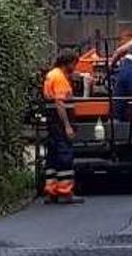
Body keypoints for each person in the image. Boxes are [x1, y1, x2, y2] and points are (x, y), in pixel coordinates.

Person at [42, 49, 85, 204]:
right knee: (64, 155)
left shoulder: (52, 75)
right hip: (59, 121)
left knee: (52, 156)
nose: (75, 66)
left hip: (51, 121)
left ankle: (51, 190)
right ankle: (65, 191)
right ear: (68, 63)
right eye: (74, 63)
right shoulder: (59, 78)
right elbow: (60, 103)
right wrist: (67, 125)